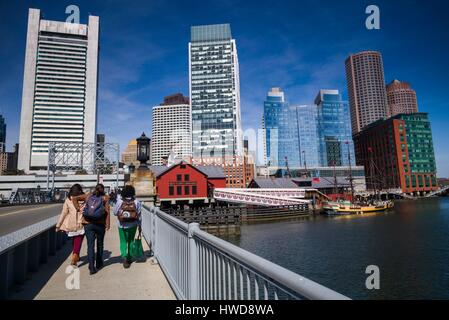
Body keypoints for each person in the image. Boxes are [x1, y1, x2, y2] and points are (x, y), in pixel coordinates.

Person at [73, 184, 110, 275]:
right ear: (103, 190)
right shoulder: (105, 198)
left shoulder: (88, 196)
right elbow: (107, 211)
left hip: (88, 224)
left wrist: (78, 209)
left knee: (90, 245)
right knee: (100, 244)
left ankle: (91, 267)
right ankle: (99, 263)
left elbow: (74, 198)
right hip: (100, 224)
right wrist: (108, 224)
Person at [56, 184, 86, 266]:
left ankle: (76, 254)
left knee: (74, 240)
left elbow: (64, 213)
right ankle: (75, 255)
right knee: (78, 239)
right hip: (81, 222)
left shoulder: (68, 199)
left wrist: (58, 225)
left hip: (71, 223)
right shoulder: (83, 198)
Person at [113, 185, 142, 269]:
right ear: (133, 192)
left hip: (122, 225)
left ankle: (124, 256)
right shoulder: (136, 202)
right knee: (130, 241)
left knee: (123, 241)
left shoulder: (120, 202)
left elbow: (115, 213)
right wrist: (140, 226)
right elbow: (139, 215)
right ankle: (129, 257)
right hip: (133, 225)